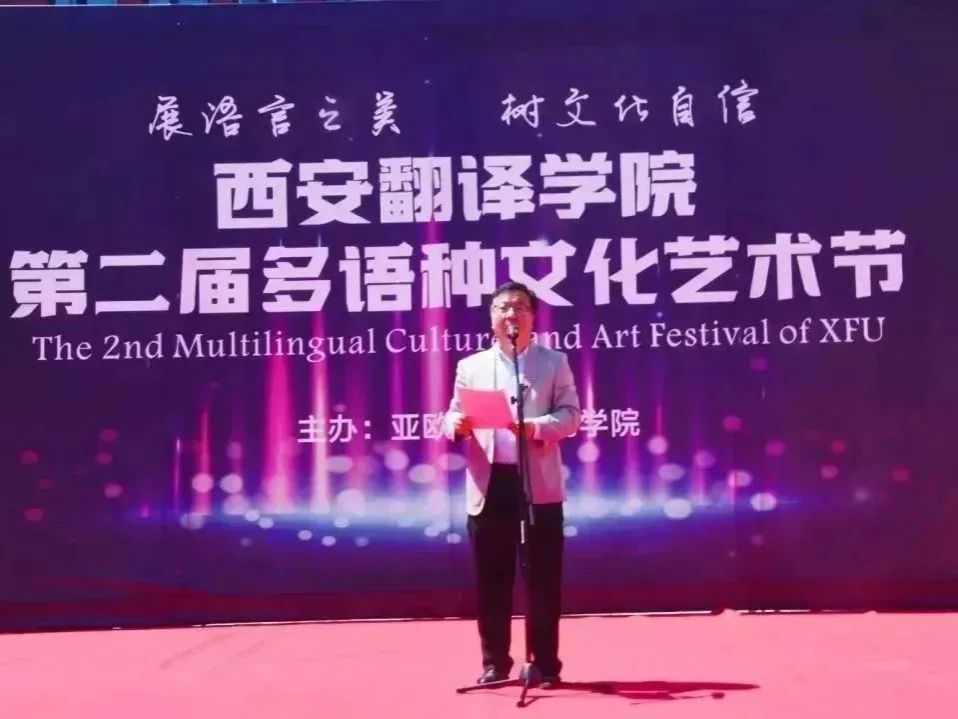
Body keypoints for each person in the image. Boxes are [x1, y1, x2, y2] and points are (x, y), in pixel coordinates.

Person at [444, 281, 581, 688]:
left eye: (520, 306)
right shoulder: (471, 366)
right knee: (492, 579)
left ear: (532, 317)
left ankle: (545, 664)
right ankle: (494, 664)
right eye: (502, 307)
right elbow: (452, 414)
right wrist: (456, 424)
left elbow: (571, 415)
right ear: (492, 318)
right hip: (490, 484)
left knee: (542, 579)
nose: (511, 314)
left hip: (536, 484)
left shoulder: (553, 362)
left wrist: (534, 427)